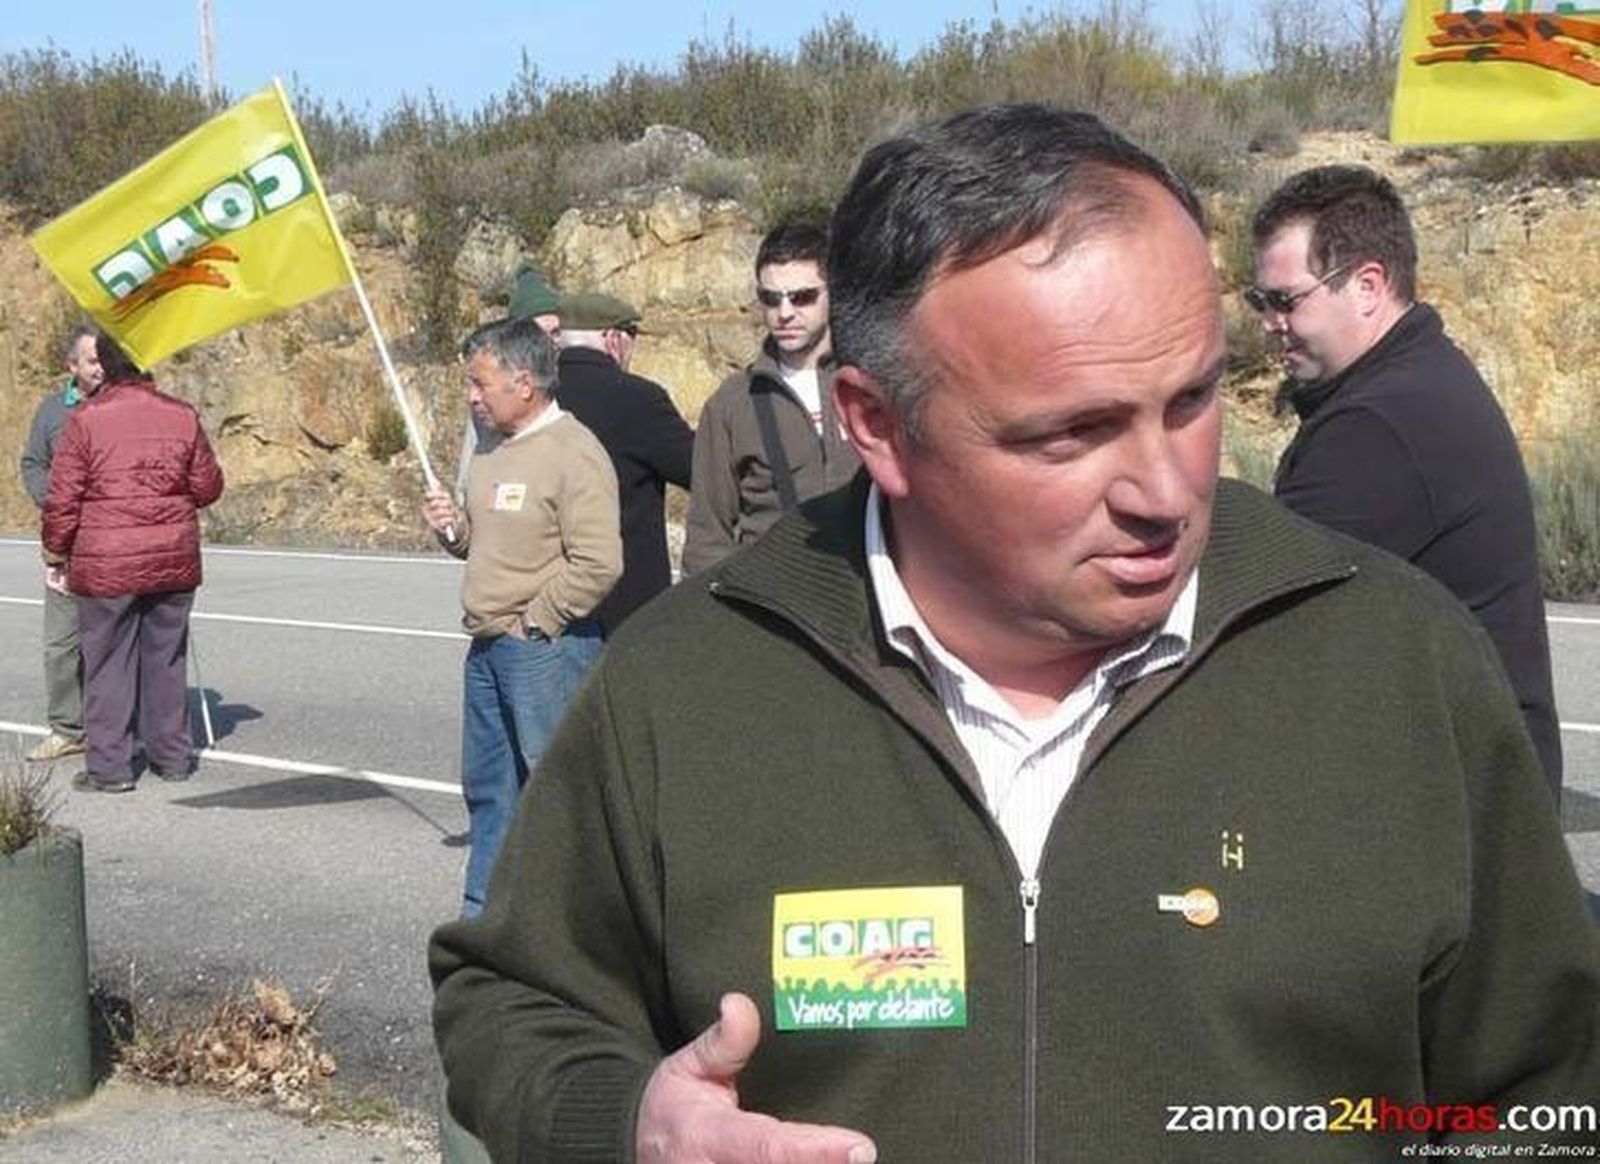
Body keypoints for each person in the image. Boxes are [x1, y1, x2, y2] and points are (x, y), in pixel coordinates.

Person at [432, 106, 1598, 1162]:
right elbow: (513, 1004)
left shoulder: (1394, 662)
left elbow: (1546, 1092)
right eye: (1070, 434)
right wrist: (628, 1123)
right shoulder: (690, 681)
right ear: (877, 425)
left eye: (1191, 400)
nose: (1164, 489)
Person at [1252, 165, 1563, 802]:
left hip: (1453, 802)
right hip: (1470, 782)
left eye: (1285, 301)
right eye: (1261, 302)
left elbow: (1260, 618)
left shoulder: (1379, 426)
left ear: (1367, 286)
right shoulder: (1416, 380)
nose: (1268, 323)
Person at [421, 317, 621, 918]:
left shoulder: (574, 451)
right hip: (486, 646)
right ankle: (485, 918)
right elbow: (484, 543)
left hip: (546, 650)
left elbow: (599, 562)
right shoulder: (491, 449)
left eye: (480, 383)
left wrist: (537, 622)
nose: (471, 397)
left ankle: (577, 926)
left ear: (525, 383)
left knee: (557, 797)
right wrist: (452, 530)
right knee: (490, 791)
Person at [41, 333, 223, 793]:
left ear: (106, 364)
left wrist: (56, 553)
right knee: (166, 659)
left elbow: (63, 498)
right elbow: (208, 488)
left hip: (107, 563)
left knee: (106, 664)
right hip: (171, 557)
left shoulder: (86, 419)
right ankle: (172, 757)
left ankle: (110, 768)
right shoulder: (182, 415)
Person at [682, 222, 859, 573]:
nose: (785, 313)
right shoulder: (732, 404)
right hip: (773, 592)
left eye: (802, 297)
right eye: (771, 299)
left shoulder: (871, 383)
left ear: (833, 293)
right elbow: (707, 536)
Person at [555, 291, 694, 634]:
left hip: (549, 594)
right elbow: (696, 469)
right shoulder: (639, 398)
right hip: (625, 596)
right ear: (613, 338)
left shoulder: (532, 395)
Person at [19, 325, 104, 763]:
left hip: (113, 541)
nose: (100, 368)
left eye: (104, 359)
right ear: (72, 366)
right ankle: (68, 729)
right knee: (62, 644)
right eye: (92, 361)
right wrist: (51, 499)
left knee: (113, 641)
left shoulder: (119, 405)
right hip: (66, 541)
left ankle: (115, 727)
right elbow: (33, 463)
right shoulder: (52, 411)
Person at [453, 264, 565, 500]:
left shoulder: (573, 385)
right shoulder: (489, 398)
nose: (550, 343)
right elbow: (470, 471)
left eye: (556, 332)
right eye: (539, 333)